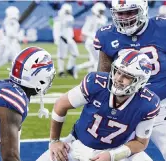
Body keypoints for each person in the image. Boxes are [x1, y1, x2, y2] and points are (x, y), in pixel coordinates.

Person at [37, 50, 159, 161]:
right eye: (117, 72)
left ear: (140, 81)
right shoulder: (96, 83)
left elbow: (141, 143)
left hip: (116, 150)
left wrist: (112, 156)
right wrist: (54, 141)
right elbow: (61, 105)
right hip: (78, 145)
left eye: (127, 76)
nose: (118, 79)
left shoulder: (147, 103)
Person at [95, 0, 166, 159]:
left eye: (130, 12)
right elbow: (104, 77)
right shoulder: (106, 35)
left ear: (143, 10)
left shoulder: (162, 28)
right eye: (120, 13)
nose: (124, 18)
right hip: (125, 109)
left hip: (162, 105)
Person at [75, 2, 107, 78]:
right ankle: (95, 76)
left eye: (102, 11)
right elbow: (84, 31)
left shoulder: (103, 19)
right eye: (100, 11)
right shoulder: (91, 19)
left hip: (99, 42)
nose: (101, 13)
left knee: (94, 61)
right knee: (97, 60)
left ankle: (77, 68)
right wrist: (94, 36)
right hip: (91, 42)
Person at [56, 3, 80, 79]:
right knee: (61, 55)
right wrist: (57, 38)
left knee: (75, 53)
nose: (68, 12)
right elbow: (57, 28)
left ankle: (69, 68)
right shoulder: (60, 18)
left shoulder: (70, 17)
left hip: (69, 38)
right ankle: (61, 71)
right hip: (62, 38)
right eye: (66, 10)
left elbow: (69, 28)